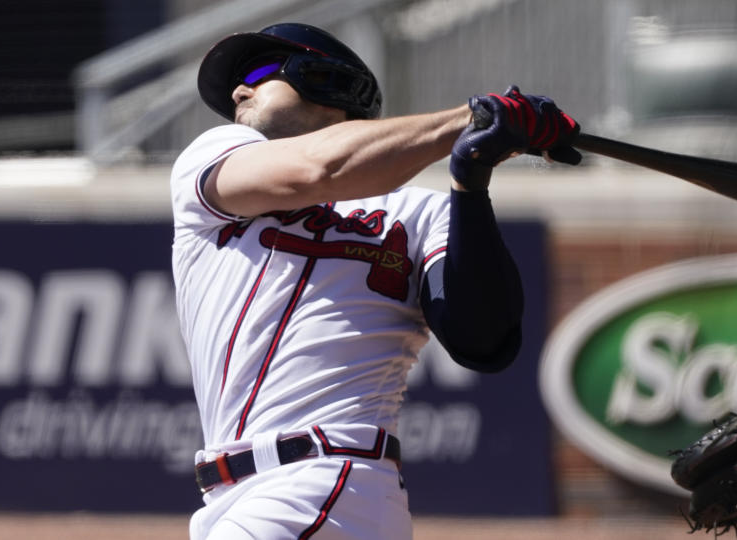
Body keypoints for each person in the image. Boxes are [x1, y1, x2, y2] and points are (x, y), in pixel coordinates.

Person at [169, 22, 580, 540]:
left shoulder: (420, 212)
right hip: (230, 498)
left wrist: (470, 183)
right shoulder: (214, 157)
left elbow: (485, 341)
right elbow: (317, 168)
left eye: (256, 73)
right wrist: (472, 119)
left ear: (322, 80)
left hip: (325, 477)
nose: (237, 91)